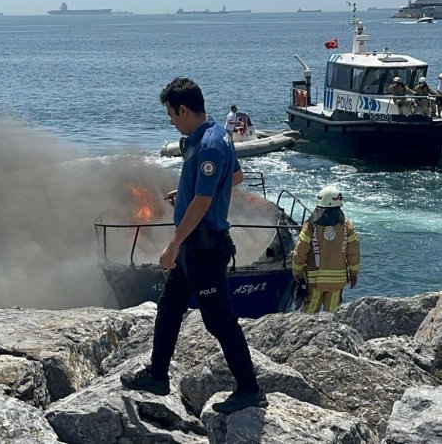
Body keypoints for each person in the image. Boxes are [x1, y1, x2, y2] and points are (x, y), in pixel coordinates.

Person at [121, 77, 267, 413]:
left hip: (204, 246)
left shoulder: (211, 145)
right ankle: (158, 376)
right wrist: (185, 193)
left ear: (184, 109)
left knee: (219, 320)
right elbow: (235, 177)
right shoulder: (209, 136)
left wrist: (172, 244)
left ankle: (250, 389)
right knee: (169, 305)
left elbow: (203, 204)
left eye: (171, 114)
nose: (171, 121)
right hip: (194, 246)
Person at [292, 185, 360, 313]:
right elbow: (353, 253)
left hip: (314, 280)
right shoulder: (347, 225)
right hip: (337, 281)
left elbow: (300, 251)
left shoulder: (311, 225)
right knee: (332, 316)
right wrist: (353, 274)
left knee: (309, 314)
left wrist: (297, 271)